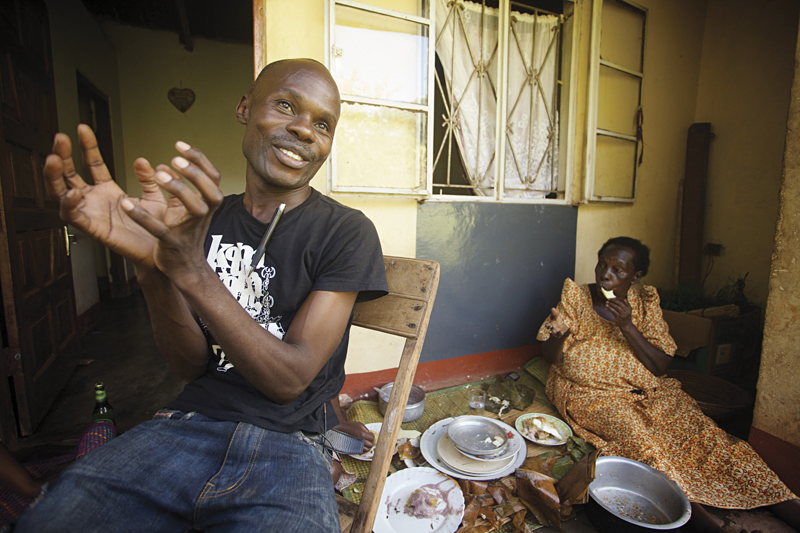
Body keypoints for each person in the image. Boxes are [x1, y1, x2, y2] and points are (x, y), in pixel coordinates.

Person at [15, 58, 388, 532]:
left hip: (291, 446)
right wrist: (152, 269)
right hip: (183, 426)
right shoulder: (201, 222)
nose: (305, 131)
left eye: (322, 124)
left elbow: (289, 380)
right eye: (286, 105)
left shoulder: (346, 232)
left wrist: (190, 271)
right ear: (244, 108)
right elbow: (189, 365)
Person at [538, 237, 799, 533]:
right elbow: (549, 357)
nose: (605, 274)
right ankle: (700, 521)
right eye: (602, 264)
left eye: (618, 270)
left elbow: (660, 365)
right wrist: (559, 333)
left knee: (708, 439)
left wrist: (627, 326)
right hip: (591, 396)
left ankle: (786, 504)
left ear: (635, 277)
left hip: (650, 393)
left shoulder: (645, 305)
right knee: (646, 447)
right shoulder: (576, 299)